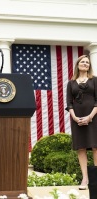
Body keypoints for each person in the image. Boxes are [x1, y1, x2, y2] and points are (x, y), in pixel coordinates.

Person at [66, 55, 97, 190]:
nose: (85, 64)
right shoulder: (71, 83)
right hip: (77, 119)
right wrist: (74, 117)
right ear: (77, 65)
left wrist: (90, 116)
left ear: (89, 66)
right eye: (82, 62)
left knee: (95, 147)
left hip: (94, 117)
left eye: (87, 62)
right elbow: (69, 103)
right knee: (81, 147)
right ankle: (85, 179)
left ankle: (95, 179)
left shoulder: (94, 80)